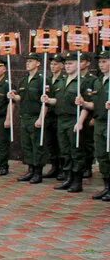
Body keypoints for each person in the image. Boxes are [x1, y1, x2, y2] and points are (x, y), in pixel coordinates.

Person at [41, 52, 95, 193]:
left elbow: (85, 105)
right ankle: (68, 178)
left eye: (70, 63)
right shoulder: (61, 81)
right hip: (61, 119)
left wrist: (80, 122)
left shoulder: (83, 83)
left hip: (74, 119)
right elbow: (57, 100)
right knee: (65, 151)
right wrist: (48, 100)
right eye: (66, 64)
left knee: (76, 151)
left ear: (78, 64)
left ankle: (77, 182)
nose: (67, 66)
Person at [76, 49, 110, 200]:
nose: (101, 65)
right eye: (100, 62)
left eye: (105, 61)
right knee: (102, 156)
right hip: (100, 122)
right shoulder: (98, 81)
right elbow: (94, 104)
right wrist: (84, 103)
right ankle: (107, 186)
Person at [8, 54, 47, 183]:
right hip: (24, 117)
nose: (27, 63)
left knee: (37, 146)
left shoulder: (42, 80)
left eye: (30, 61)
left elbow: (45, 102)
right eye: (27, 61)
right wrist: (13, 96)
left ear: (38, 63)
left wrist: (41, 118)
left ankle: (38, 172)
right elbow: (21, 98)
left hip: (35, 117)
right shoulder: (24, 80)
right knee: (27, 145)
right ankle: (30, 170)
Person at [44, 54, 65, 179]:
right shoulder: (47, 80)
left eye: (55, 64)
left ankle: (63, 168)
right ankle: (54, 166)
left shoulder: (64, 80)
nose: (52, 66)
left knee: (61, 143)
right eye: (51, 64)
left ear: (62, 65)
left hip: (60, 115)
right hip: (49, 115)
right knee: (50, 142)